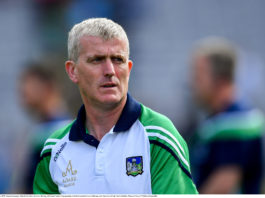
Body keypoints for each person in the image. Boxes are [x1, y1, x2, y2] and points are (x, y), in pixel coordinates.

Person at [33, 18, 198, 194]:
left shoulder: (158, 136)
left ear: (129, 68)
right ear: (73, 71)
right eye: (97, 60)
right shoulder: (54, 149)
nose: (110, 71)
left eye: (118, 59)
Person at [190, 37, 265, 194]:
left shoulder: (235, 123)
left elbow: (223, 186)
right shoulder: (221, 118)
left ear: (220, 79)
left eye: (199, 76)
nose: (193, 83)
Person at [18, 63, 71, 193]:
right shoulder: (40, 130)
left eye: (28, 85)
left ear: (47, 87)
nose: (23, 91)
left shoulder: (59, 131)